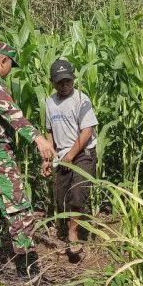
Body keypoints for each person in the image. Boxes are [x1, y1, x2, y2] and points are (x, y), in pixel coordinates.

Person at [0, 41, 55, 279]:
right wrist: (39, 139)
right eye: (10, 65)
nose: (10, 70)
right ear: (3, 61)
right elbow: (12, 113)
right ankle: (28, 270)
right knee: (19, 209)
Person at [42, 59, 98, 261]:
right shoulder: (50, 102)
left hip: (83, 153)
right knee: (62, 197)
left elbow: (87, 130)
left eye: (68, 81)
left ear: (73, 79)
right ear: (52, 82)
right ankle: (72, 226)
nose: (64, 86)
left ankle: (74, 235)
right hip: (62, 155)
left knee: (77, 193)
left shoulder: (82, 99)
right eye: (60, 82)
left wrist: (71, 156)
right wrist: (48, 158)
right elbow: (49, 132)